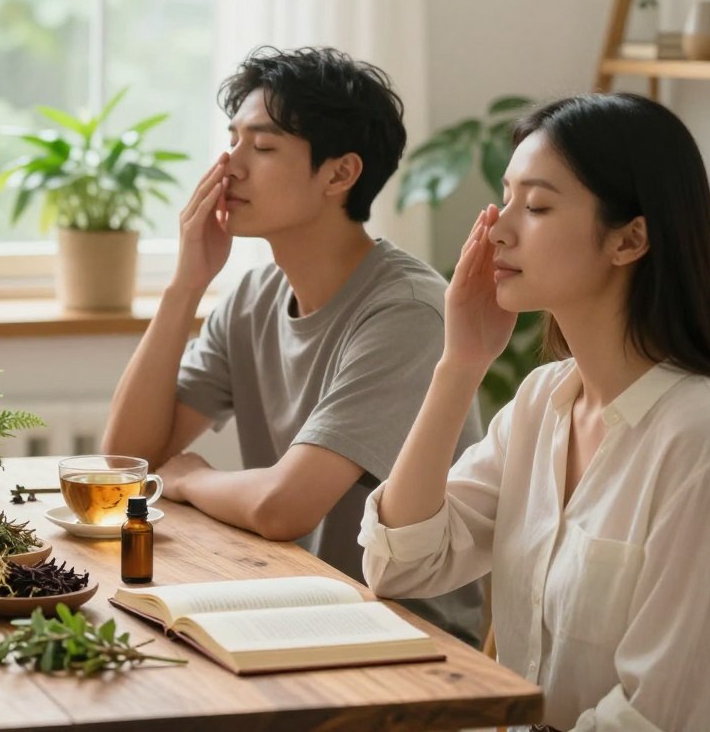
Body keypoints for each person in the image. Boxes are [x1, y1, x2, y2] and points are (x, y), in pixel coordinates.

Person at [361, 93, 710, 730]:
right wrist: (459, 364)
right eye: (507, 199)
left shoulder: (701, 440)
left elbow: (659, 714)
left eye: (537, 206)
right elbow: (401, 563)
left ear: (630, 238)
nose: (498, 228)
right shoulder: (541, 402)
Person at [101, 46, 484, 644]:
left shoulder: (406, 312)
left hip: (399, 632)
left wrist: (190, 479)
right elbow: (128, 460)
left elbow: (285, 506)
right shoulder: (254, 295)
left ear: (339, 174)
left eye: (263, 146)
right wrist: (186, 285)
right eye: (232, 139)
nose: (228, 166)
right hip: (290, 599)